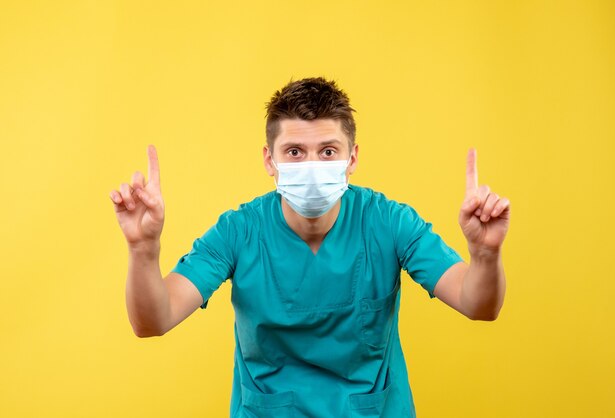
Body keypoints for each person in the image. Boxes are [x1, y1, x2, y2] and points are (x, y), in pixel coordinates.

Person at [110, 77, 510, 417]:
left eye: (328, 151)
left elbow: (478, 305)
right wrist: (143, 249)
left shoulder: (388, 222)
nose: (313, 167)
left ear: (352, 159)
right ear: (270, 160)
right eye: (295, 152)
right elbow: (152, 322)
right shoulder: (239, 232)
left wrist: (485, 255)